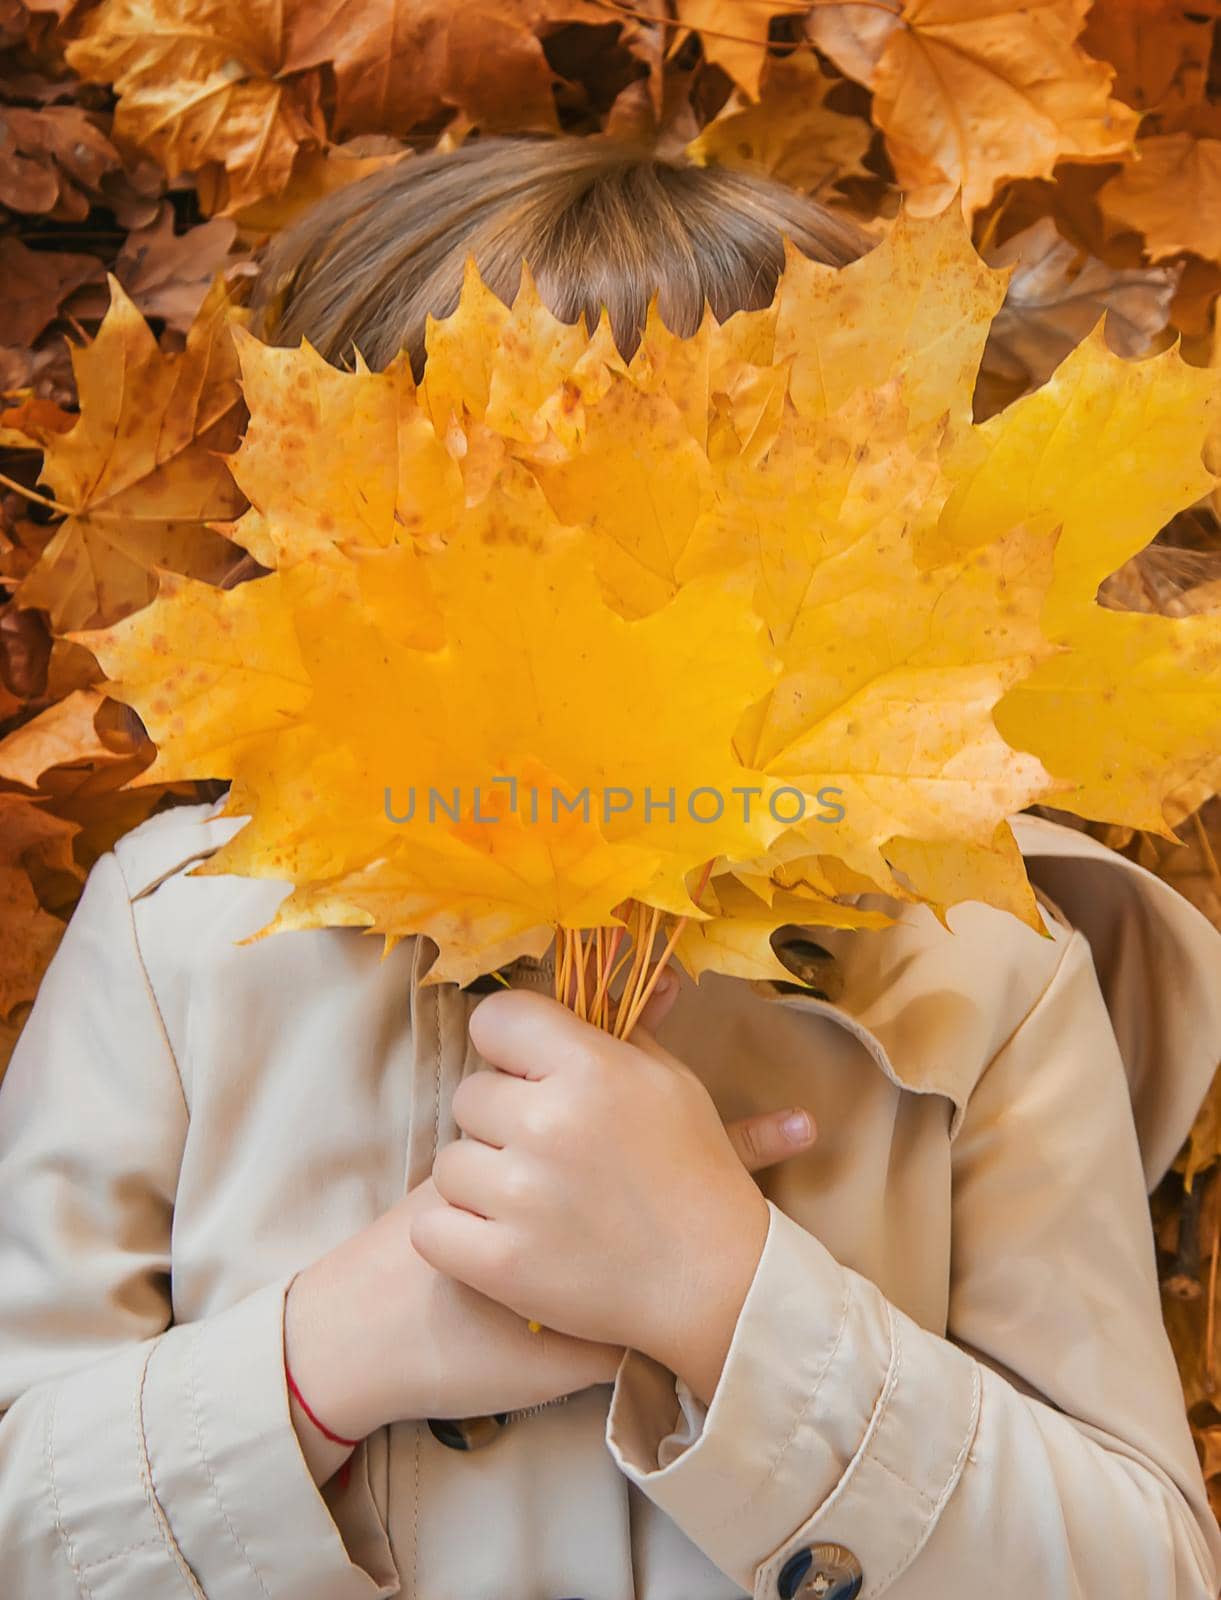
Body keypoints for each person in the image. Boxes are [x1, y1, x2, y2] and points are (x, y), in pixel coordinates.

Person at [1, 134, 1219, 1600]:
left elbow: (1142, 1569)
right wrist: (324, 1361)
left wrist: (731, 1304)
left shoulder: (978, 967)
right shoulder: (176, 934)